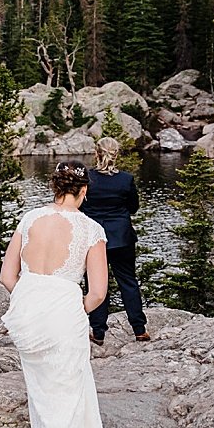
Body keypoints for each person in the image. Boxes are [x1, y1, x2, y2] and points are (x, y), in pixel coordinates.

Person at [0, 162, 109, 428]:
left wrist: (32, 301)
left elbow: (6, 275)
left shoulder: (29, 219)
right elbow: (98, 294)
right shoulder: (91, 230)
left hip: (27, 317)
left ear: (55, 188)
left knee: (42, 399)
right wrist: (70, 308)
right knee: (65, 399)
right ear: (83, 191)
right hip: (63, 316)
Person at [83, 137, 149, 344]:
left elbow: (79, 207)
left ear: (96, 154)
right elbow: (133, 208)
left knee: (96, 284)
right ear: (116, 154)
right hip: (121, 237)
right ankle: (139, 329)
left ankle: (98, 332)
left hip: (94, 239)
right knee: (128, 282)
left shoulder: (87, 179)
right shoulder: (125, 179)